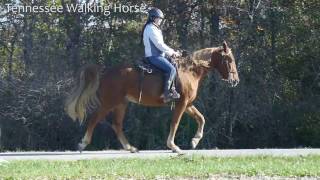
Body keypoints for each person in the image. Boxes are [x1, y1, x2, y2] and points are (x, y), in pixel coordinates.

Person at [141, 8, 181, 103]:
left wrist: (173, 52)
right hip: (154, 56)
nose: (161, 20)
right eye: (159, 18)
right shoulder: (150, 28)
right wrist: (172, 52)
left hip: (160, 55)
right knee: (171, 69)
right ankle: (166, 94)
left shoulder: (154, 28)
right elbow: (159, 44)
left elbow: (161, 45)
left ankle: (173, 89)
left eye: (161, 18)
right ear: (153, 18)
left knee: (175, 64)